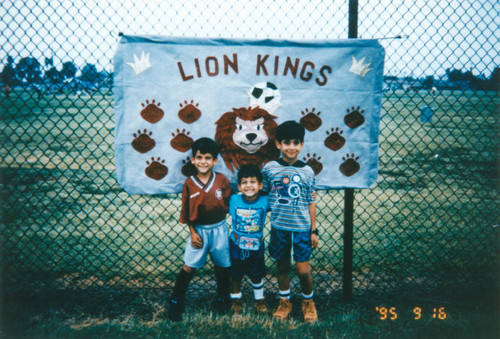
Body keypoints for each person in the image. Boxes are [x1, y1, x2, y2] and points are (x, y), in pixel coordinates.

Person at [168, 137, 232, 322]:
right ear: (193, 160)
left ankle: (222, 298)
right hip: (199, 231)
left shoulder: (221, 180)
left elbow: (229, 204)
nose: (203, 161)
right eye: (199, 157)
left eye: (207, 158)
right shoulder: (189, 183)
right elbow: (186, 211)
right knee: (189, 265)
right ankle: (176, 300)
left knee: (222, 265)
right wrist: (193, 232)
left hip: (219, 229)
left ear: (215, 161)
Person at [261, 120, 319, 323]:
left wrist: (314, 230)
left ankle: (308, 302)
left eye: (296, 142)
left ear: (302, 145)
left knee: (302, 270)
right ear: (278, 144)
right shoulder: (269, 169)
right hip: (279, 227)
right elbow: (265, 196)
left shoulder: (308, 171)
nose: (291, 147)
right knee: (283, 267)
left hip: (302, 229)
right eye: (287, 142)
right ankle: (284, 301)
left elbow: (311, 202)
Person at [228, 164, 270, 315]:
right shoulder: (233, 199)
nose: (249, 186)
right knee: (236, 275)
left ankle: (259, 301)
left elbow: (283, 200)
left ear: (260, 185)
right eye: (244, 182)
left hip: (256, 246)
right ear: (239, 186)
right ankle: (236, 301)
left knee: (256, 275)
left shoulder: (266, 200)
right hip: (236, 245)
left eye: (253, 182)